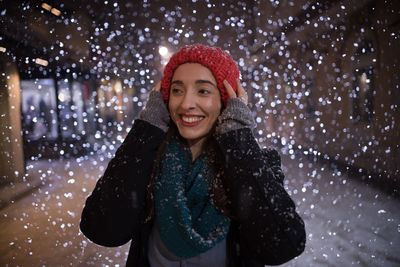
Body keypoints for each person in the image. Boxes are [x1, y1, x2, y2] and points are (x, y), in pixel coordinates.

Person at [80, 44, 306, 267]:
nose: (186, 104)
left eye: (203, 91)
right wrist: (147, 127)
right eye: (177, 90)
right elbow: (101, 230)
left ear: (226, 99)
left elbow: (282, 246)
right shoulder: (148, 158)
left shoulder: (253, 162)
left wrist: (237, 135)